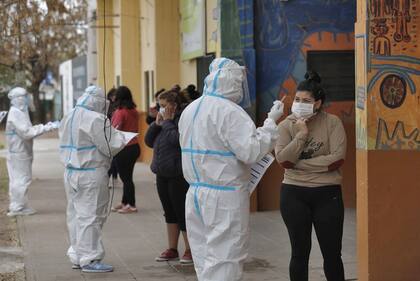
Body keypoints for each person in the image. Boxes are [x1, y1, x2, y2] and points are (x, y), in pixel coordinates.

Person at [178, 57, 285, 281]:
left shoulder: (191, 109)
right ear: (233, 82)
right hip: (224, 197)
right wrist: (271, 123)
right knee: (226, 256)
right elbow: (251, 151)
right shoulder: (230, 112)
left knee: (203, 253)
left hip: (195, 194)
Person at [275, 71, 347, 281]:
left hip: (328, 195)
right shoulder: (286, 125)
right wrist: (302, 134)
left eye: (306, 101)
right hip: (293, 195)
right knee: (299, 254)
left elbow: (337, 159)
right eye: (297, 100)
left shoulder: (332, 122)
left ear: (317, 103)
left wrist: (300, 164)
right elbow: (284, 161)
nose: (299, 104)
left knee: (332, 255)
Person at [59, 85, 137, 273]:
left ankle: (77, 254)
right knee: (91, 215)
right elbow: (110, 146)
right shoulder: (96, 119)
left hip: (70, 172)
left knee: (76, 215)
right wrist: (122, 138)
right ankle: (90, 259)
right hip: (90, 173)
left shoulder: (69, 115)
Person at [145, 89, 192, 264]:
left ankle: (190, 249)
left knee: (182, 212)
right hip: (161, 173)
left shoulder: (182, 119)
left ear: (174, 105)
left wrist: (168, 123)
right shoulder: (163, 121)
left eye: (164, 106)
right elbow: (149, 142)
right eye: (159, 105)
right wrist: (156, 125)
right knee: (169, 212)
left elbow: (178, 141)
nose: (161, 109)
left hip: (177, 174)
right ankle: (172, 248)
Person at [5, 87, 58, 217]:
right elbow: (27, 133)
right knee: (22, 179)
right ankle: (17, 207)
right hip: (20, 152)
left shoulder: (19, 112)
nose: (26, 99)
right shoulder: (16, 113)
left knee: (18, 179)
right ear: (18, 99)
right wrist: (47, 127)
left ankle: (19, 204)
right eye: (24, 96)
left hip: (20, 151)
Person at [110, 86, 140, 214]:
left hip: (123, 148)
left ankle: (131, 204)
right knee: (128, 176)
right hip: (134, 146)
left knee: (126, 178)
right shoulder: (134, 111)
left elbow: (114, 129)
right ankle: (124, 202)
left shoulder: (120, 112)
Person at [106, 88, 121, 187]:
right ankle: (109, 177)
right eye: (113, 95)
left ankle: (115, 177)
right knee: (112, 159)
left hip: (117, 132)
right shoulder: (108, 106)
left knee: (115, 159)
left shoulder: (118, 106)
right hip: (109, 132)